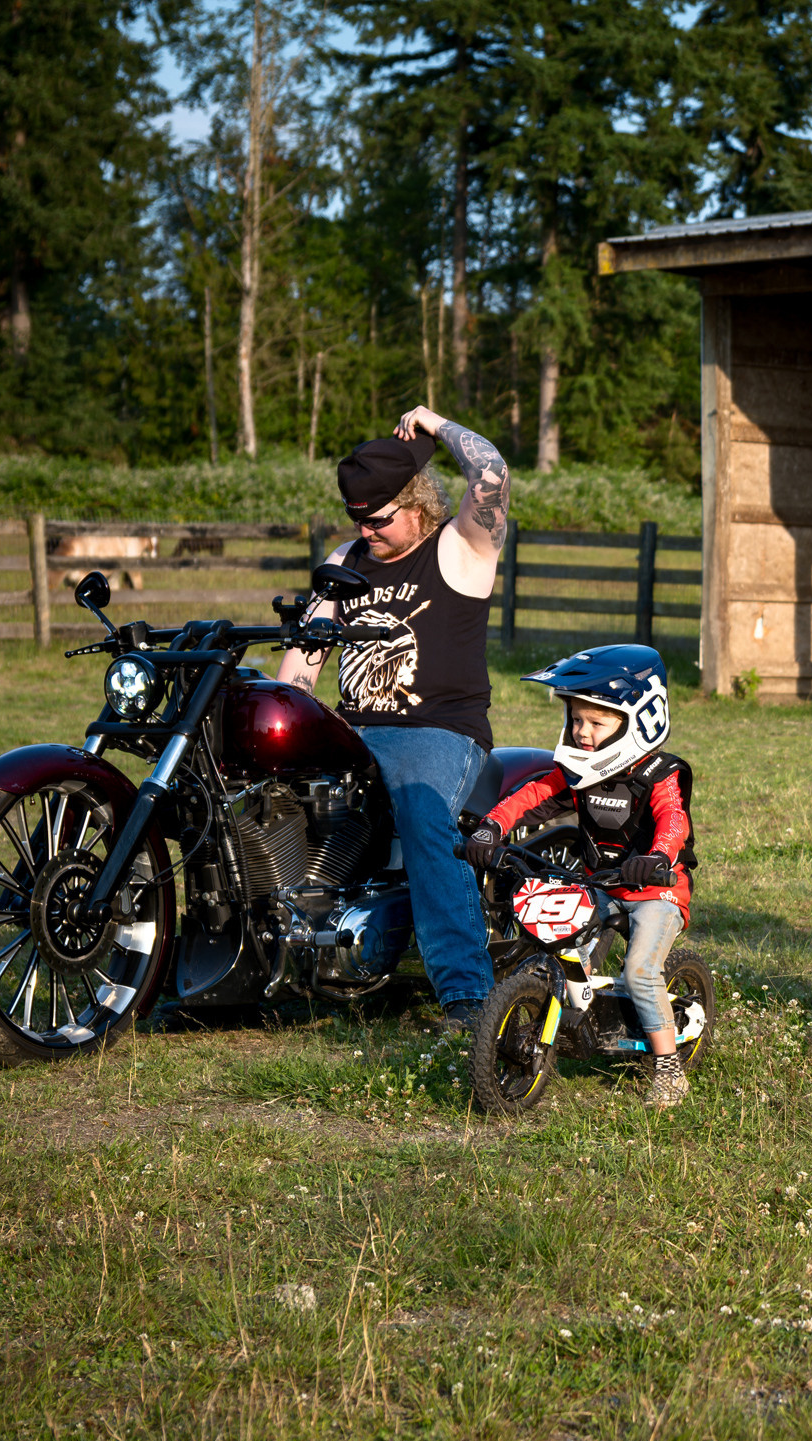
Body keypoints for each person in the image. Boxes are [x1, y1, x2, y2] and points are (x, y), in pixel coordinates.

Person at [278, 406, 511, 1031]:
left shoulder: (462, 545)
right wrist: (288, 718)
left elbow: (492, 472)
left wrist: (437, 425)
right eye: (356, 518)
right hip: (352, 730)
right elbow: (305, 658)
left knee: (420, 811)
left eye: (377, 519)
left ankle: (468, 999)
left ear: (417, 502)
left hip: (438, 731)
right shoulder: (346, 558)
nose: (366, 530)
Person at [458, 645, 699, 1109]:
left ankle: (669, 1072)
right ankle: (576, 1025)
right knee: (559, 949)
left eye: (597, 722)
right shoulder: (577, 772)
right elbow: (531, 794)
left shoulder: (660, 774)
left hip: (657, 890)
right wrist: (491, 828)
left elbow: (673, 821)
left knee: (641, 972)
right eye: (577, 720)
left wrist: (658, 857)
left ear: (638, 719)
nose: (583, 733)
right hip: (602, 883)